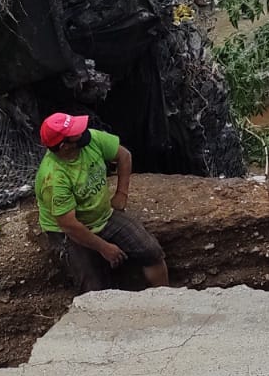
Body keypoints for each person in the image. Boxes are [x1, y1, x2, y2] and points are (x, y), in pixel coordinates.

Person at [35, 112, 169, 292]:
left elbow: (124, 156)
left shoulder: (91, 140)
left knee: (151, 252)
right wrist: (104, 248)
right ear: (64, 146)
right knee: (94, 289)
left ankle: (167, 300)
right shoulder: (53, 178)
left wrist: (121, 194)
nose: (83, 133)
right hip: (68, 231)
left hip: (102, 215)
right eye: (75, 132)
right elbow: (69, 225)